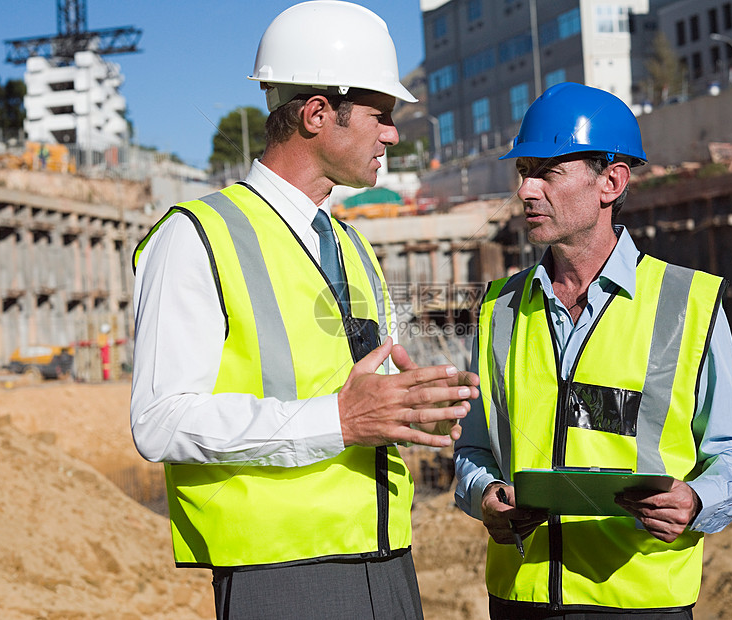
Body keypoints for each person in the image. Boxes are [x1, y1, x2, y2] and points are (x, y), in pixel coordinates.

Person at [130, 2, 478, 618]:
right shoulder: (197, 235)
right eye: (381, 115)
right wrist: (337, 421)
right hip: (281, 572)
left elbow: (355, 392)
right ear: (318, 113)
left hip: (387, 555)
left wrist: (412, 407)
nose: (393, 134)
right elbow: (159, 422)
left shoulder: (351, 243)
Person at [453, 82, 732, 619]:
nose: (526, 190)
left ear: (611, 182)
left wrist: (696, 502)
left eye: (547, 171)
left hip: (639, 602)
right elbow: (474, 449)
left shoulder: (686, 304)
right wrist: (482, 494)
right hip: (519, 600)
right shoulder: (499, 308)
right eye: (522, 171)